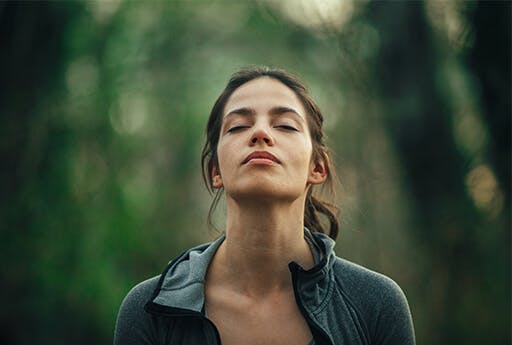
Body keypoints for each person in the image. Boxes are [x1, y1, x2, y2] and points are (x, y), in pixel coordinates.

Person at [114, 67, 415, 345]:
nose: (260, 133)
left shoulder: (376, 304)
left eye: (285, 125)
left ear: (318, 167)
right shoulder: (149, 310)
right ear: (215, 171)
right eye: (238, 126)